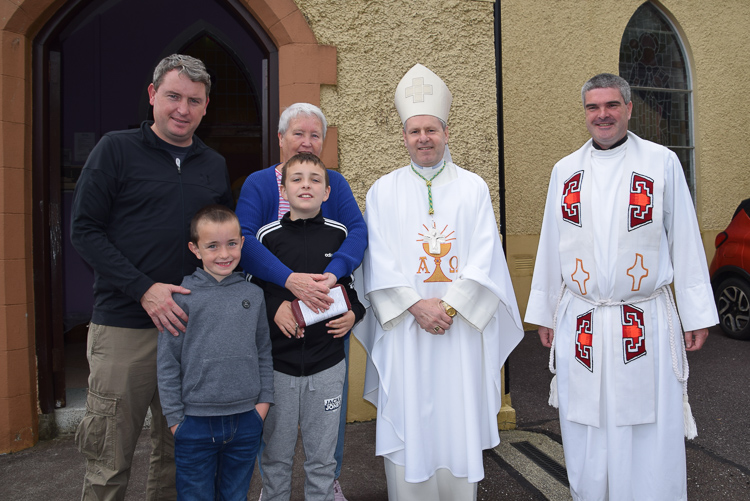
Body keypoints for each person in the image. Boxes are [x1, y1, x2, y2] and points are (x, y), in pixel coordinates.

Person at [524, 73, 718, 501]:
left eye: (611, 105)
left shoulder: (661, 162)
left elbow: (684, 239)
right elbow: (551, 244)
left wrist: (697, 313)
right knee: (587, 427)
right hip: (583, 319)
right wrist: (544, 313)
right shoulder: (565, 171)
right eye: (593, 107)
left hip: (642, 319)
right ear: (585, 114)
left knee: (647, 428)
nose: (603, 115)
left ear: (629, 108)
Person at [357, 63, 524, 500]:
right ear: (404, 137)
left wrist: (447, 307)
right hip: (407, 331)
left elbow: (486, 256)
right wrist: (417, 306)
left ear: (447, 132)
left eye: (431, 129)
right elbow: (378, 260)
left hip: (459, 331)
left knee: (456, 417)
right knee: (410, 421)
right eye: (415, 131)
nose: (423, 138)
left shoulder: (473, 189)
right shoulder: (382, 191)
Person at [71, 54, 233, 500]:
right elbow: (84, 230)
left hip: (190, 330)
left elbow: (222, 242)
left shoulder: (213, 165)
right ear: (152, 96)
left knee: (181, 452)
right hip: (125, 325)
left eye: (194, 101)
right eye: (173, 97)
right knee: (109, 454)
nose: (182, 109)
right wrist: (144, 289)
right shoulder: (115, 150)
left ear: (206, 107)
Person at [235, 103, 366, 500]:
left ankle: (327, 483)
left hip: (325, 333)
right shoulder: (259, 185)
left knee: (324, 426)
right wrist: (283, 289)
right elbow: (243, 241)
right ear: (280, 140)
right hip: (278, 334)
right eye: (298, 134)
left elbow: (356, 232)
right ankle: (272, 489)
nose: (306, 142)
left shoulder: (334, 184)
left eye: (314, 136)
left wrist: (338, 275)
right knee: (276, 430)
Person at [157, 205, 272, 500]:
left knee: (235, 495)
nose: (224, 254)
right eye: (212, 246)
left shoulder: (253, 295)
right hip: (194, 422)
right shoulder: (181, 298)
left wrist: (263, 406)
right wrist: (175, 420)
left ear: (242, 243)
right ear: (195, 249)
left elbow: (263, 351)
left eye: (232, 244)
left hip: (246, 418)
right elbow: (168, 362)